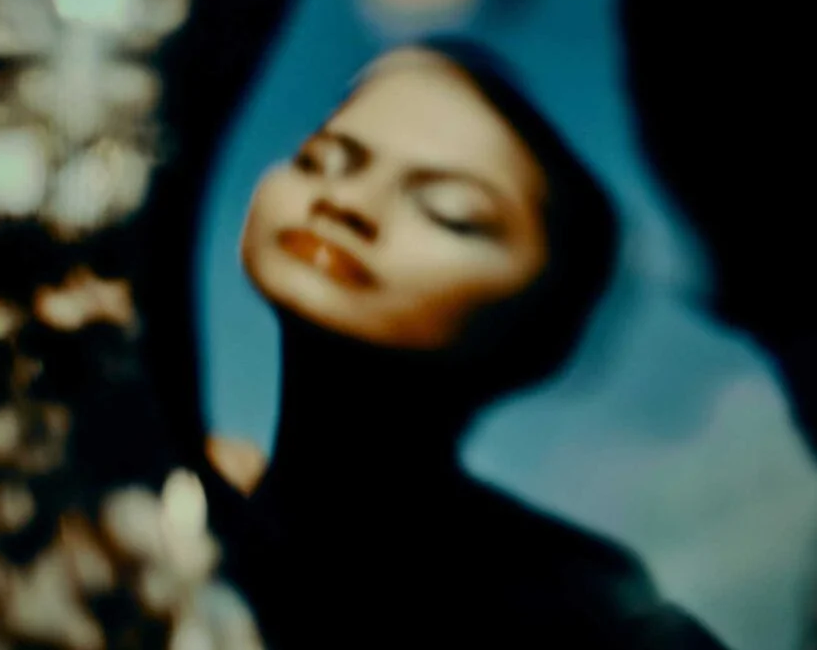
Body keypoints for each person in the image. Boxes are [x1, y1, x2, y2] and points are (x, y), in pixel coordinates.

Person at [211, 38, 728, 649]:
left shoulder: (593, 621)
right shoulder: (174, 497)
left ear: (543, 323)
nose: (346, 203)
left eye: (449, 212)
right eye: (320, 161)